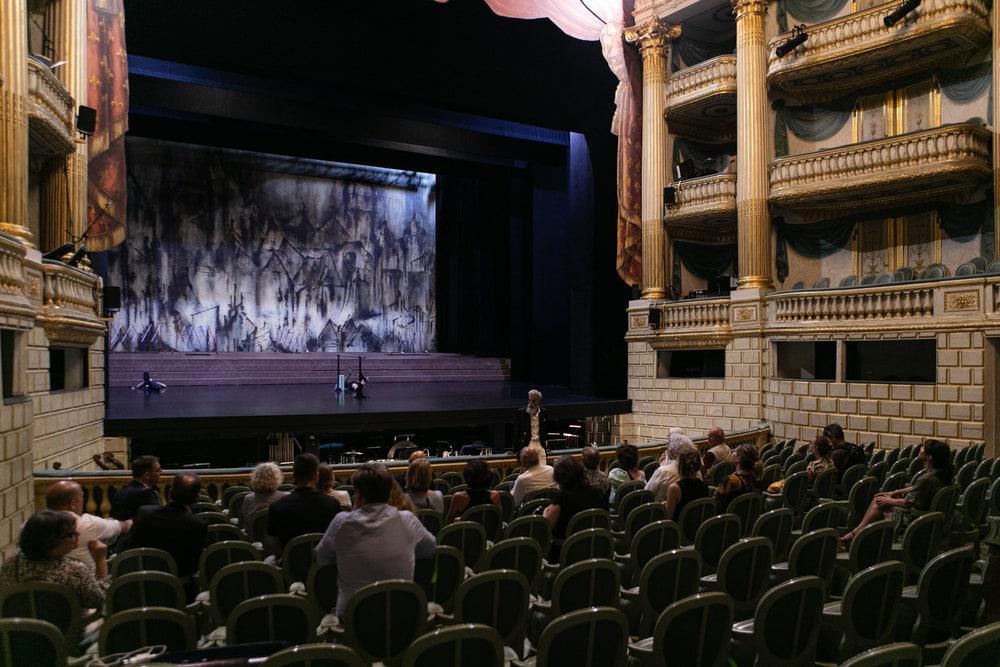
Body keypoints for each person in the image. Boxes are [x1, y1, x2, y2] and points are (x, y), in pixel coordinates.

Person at [315, 463, 436, 618]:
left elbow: (322, 557)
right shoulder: (408, 519)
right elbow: (430, 548)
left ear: (359, 494)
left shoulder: (341, 522)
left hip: (353, 620)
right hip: (402, 617)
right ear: (389, 492)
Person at [841, 439, 952, 545]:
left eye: (923, 448)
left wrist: (889, 501)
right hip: (930, 515)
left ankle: (856, 535)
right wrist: (895, 492)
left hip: (916, 517)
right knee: (881, 499)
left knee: (878, 501)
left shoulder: (926, 479)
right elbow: (916, 488)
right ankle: (858, 534)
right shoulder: (942, 473)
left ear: (929, 457)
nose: (920, 448)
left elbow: (909, 503)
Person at [0, 510, 109, 609]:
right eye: (71, 534)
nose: (78, 534)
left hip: (17, 628)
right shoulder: (75, 572)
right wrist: (101, 561)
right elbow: (100, 601)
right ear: (52, 542)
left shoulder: (11, 563)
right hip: (66, 630)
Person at [128, 473, 208, 588]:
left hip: (140, 585)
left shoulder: (143, 512)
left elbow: (132, 548)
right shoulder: (198, 525)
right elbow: (193, 567)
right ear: (196, 497)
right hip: (178, 591)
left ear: (170, 492)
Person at [46, 480, 131, 573]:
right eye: (82, 497)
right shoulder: (89, 523)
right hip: (83, 584)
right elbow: (124, 527)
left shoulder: (30, 525)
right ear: (73, 503)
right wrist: (101, 560)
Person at [268, 454, 344, 554]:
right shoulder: (333, 504)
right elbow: (338, 540)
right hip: (323, 567)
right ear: (316, 476)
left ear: (294, 476)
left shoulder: (277, 507)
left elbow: (272, 546)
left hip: (290, 567)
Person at [543, 456, 607, 559]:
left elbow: (547, 525)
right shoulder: (597, 491)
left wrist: (545, 511)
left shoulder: (562, 496)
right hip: (595, 546)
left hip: (567, 551)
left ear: (558, 476)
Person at [664, 444, 710, 520]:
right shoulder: (705, 486)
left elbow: (668, 518)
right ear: (698, 466)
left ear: (679, 466)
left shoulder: (674, 489)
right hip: (697, 529)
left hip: (678, 529)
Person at [110, 455, 161, 520]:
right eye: (157, 470)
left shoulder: (120, 492)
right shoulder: (147, 494)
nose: (160, 472)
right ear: (147, 475)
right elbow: (156, 520)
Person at [714, 444, 763, 512]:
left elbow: (716, 503)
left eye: (735, 451)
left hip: (728, 519)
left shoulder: (731, 480)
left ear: (738, 458)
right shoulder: (755, 476)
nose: (732, 451)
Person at [646, 433, 692, 502]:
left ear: (673, 450)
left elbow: (647, 493)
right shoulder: (694, 471)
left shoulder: (663, 472)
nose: (666, 446)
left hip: (661, 510)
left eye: (669, 444)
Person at [515, 389, 548, 462]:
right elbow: (517, 432)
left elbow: (545, 430)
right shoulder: (521, 412)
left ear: (538, 401)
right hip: (527, 445)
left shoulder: (544, 412)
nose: (530, 403)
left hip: (540, 445)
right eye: (529, 400)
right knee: (528, 469)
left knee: (542, 467)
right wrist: (515, 450)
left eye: (533, 401)